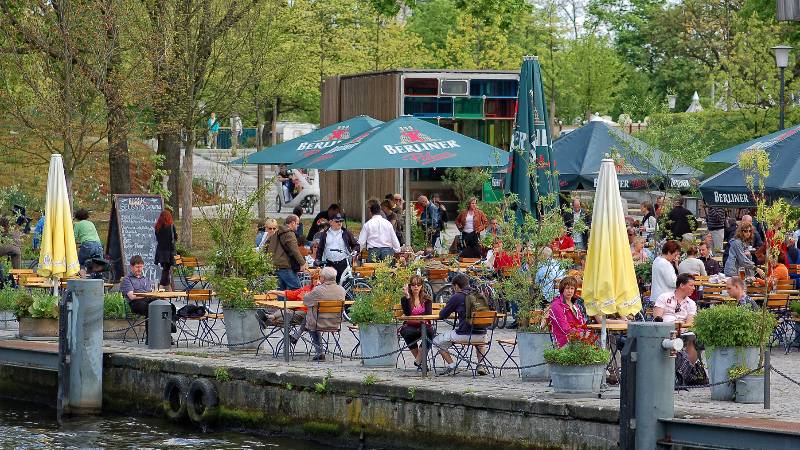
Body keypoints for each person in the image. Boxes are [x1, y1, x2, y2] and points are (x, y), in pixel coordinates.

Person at [434, 274, 489, 376]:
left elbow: (442, 315)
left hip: (465, 335)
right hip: (483, 336)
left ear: (456, 286)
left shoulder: (457, 296)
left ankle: (452, 365)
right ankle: (481, 364)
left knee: (436, 341)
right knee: (479, 341)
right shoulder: (479, 294)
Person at [289, 267, 346, 361]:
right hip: (335, 323)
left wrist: (305, 296)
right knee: (312, 316)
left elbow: (306, 302)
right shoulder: (342, 290)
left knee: (310, 316)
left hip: (318, 323)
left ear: (323, 278)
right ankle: (299, 337)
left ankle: (319, 351)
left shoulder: (318, 290)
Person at [120, 255, 176, 332]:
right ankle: (150, 336)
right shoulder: (127, 279)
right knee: (152, 308)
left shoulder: (145, 279)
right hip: (135, 303)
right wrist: (148, 295)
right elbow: (132, 296)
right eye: (137, 267)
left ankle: (167, 333)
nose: (139, 269)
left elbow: (152, 291)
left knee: (170, 306)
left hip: (148, 300)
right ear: (131, 267)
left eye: (141, 267)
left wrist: (159, 296)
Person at [653, 273, 699, 362]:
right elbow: (657, 318)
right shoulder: (664, 297)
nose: (694, 288)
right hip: (664, 330)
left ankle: (689, 368)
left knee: (691, 337)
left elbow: (690, 323)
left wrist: (680, 328)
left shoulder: (691, 303)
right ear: (681, 285)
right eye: (691, 285)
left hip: (682, 331)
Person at [265, 215, 307, 290]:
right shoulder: (289, 233)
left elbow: (266, 245)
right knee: (297, 288)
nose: (298, 226)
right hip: (285, 266)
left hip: (275, 265)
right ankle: (296, 302)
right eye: (297, 224)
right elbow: (295, 250)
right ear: (293, 223)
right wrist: (302, 263)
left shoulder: (277, 232)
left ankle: (281, 302)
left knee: (280, 291)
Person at [400, 274, 433, 370]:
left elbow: (428, 315)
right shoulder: (405, 299)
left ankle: (419, 360)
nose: (416, 287)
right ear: (410, 286)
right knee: (407, 333)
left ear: (422, 286)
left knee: (430, 332)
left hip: (424, 325)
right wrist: (407, 297)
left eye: (418, 284)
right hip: (410, 325)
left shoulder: (427, 299)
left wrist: (420, 320)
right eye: (413, 284)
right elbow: (407, 314)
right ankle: (422, 364)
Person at [547, 277, 588, 348]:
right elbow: (564, 328)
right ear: (562, 289)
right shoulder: (556, 305)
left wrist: (586, 333)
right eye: (567, 288)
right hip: (563, 341)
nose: (570, 291)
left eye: (572, 288)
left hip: (577, 338)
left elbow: (582, 323)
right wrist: (581, 334)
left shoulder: (575, 305)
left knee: (595, 345)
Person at [317, 213, 359, 282]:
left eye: (341, 221)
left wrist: (354, 251)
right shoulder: (325, 233)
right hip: (329, 264)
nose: (339, 223)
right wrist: (318, 260)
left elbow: (356, 245)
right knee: (329, 285)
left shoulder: (346, 233)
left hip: (343, 263)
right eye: (337, 221)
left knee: (344, 285)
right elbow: (320, 249)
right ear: (331, 222)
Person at [154, 210, 177, 290]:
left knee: (166, 270)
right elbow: (175, 238)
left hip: (160, 252)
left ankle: (169, 290)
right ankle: (160, 288)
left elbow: (157, 239)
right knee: (166, 270)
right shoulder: (171, 226)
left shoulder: (157, 227)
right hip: (169, 252)